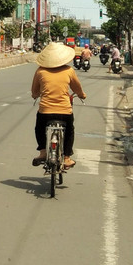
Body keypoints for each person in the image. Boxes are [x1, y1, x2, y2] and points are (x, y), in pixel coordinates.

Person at [31, 41, 86, 169]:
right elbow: (77, 88)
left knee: (39, 128)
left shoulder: (40, 71)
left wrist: (35, 95)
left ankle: (43, 152)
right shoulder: (69, 70)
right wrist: (82, 95)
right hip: (65, 112)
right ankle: (66, 157)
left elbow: (34, 91)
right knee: (70, 131)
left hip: (45, 112)